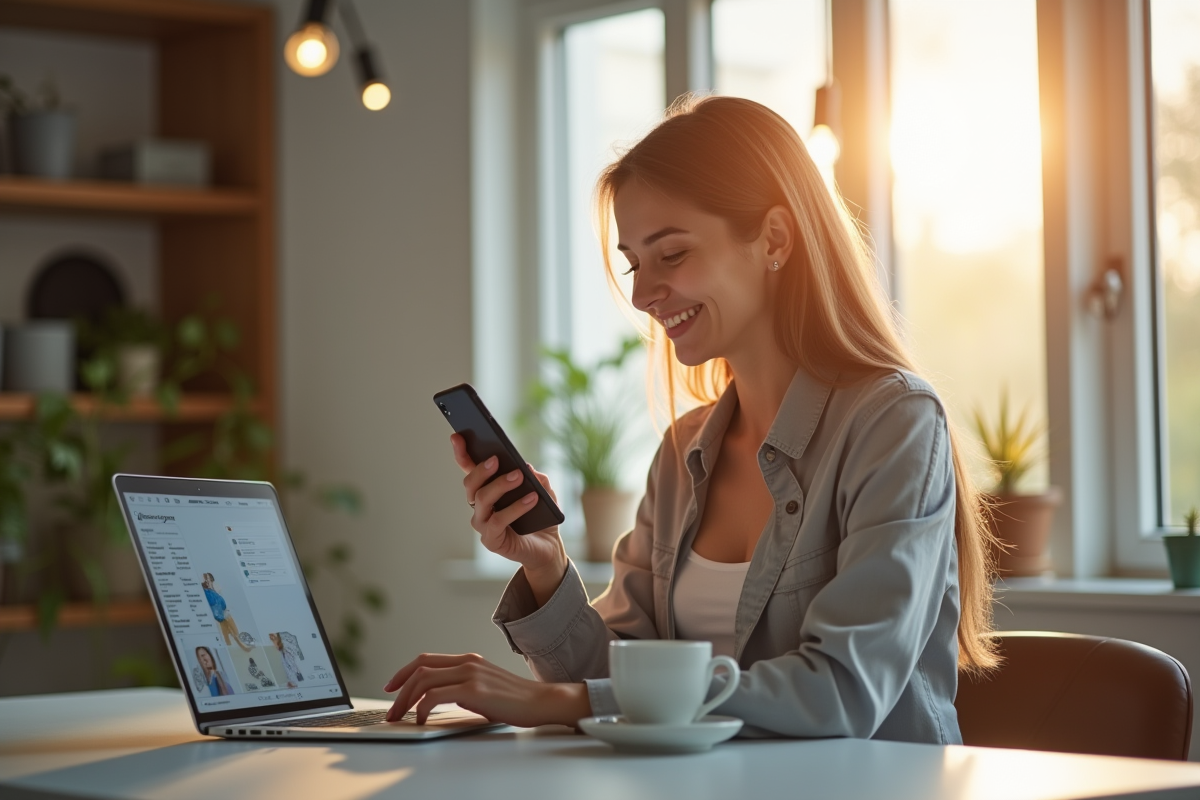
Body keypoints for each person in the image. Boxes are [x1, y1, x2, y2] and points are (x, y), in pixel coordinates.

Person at [383, 95, 1000, 741]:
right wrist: (546, 566)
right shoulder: (684, 450)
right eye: (633, 263)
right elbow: (611, 676)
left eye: (671, 255)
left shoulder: (892, 421)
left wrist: (563, 704)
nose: (643, 293)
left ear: (774, 240)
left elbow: (841, 692)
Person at [202, 573, 252, 653]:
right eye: (206, 579)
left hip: (224, 613)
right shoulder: (206, 592)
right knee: (227, 632)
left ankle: (238, 647)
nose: (207, 581)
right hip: (219, 616)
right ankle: (237, 648)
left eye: (209, 579)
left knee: (232, 631)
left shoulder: (214, 590)